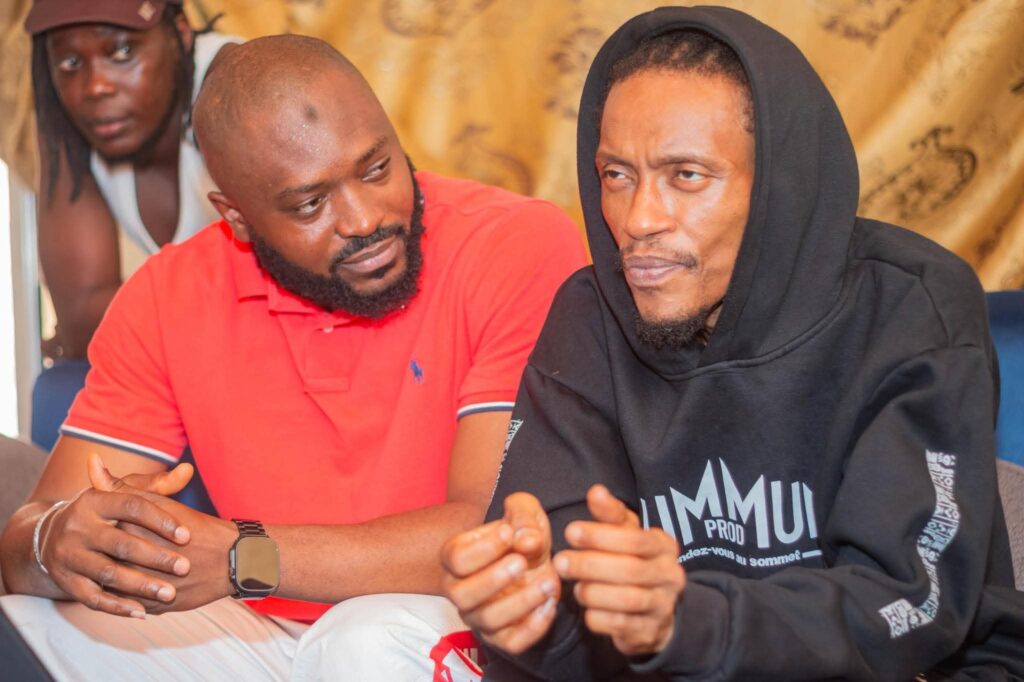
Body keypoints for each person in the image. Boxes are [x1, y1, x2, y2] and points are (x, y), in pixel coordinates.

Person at [441, 6, 1024, 679]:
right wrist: (530, 612)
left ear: (780, 183)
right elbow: (570, 609)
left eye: (686, 175)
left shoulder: (907, 306)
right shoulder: (589, 315)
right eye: (617, 175)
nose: (639, 219)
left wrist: (691, 621)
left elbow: (908, 605)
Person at [0, 34, 586, 680]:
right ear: (237, 217)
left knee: (360, 643)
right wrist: (60, 545)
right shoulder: (168, 294)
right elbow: (30, 536)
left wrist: (240, 557)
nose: (364, 219)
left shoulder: (514, 244)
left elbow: (490, 529)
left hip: (451, 616)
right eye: (310, 204)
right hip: (262, 623)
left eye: (377, 168)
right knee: (34, 625)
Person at [24, 0, 240, 450]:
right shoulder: (73, 118)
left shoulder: (239, 87)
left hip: (303, 357)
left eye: (123, 52)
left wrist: (132, 321)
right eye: (69, 62)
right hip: (204, 359)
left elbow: (299, 293)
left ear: (180, 34)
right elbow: (82, 317)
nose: (95, 87)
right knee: (60, 392)